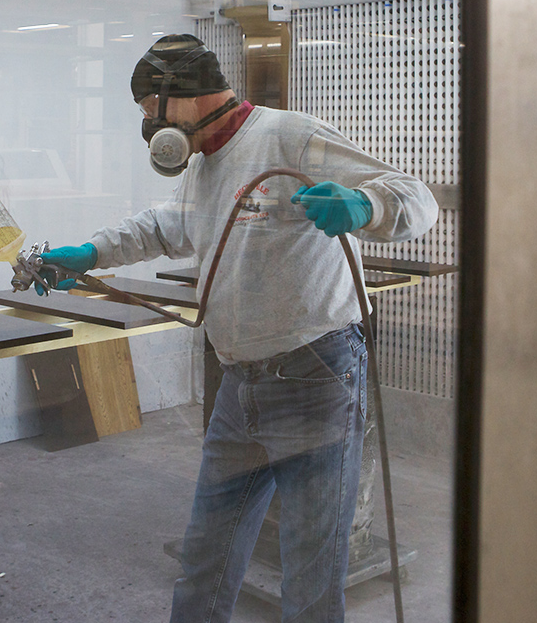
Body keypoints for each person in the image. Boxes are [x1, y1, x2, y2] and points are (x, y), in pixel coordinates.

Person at [41, 34, 438, 623]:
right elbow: (168, 225)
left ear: (183, 98)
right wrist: (92, 251)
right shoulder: (205, 163)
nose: (150, 127)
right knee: (207, 555)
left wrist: (364, 206)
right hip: (239, 383)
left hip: (316, 376)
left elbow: (417, 197)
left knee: (308, 568)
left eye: (151, 109)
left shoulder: (288, 136)